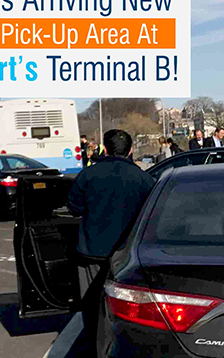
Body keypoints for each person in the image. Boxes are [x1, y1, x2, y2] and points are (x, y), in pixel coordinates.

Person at [67, 129, 155, 355]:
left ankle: (93, 347)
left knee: (92, 305)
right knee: (123, 310)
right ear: (131, 150)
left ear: (104, 149)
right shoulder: (145, 180)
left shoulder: (88, 175)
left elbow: (74, 207)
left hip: (91, 251)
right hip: (127, 256)